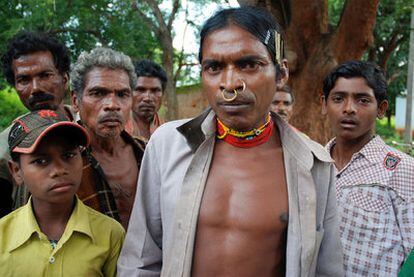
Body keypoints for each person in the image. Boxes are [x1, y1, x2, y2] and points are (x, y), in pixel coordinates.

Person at [118, 7, 343, 276]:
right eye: (214, 67)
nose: (230, 83)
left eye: (249, 64)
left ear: (281, 74)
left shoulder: (313, 164)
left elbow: (327, 269)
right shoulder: (167, 145)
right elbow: (141, 259)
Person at [0, 110, 124, 276]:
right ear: (16, 171)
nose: (59, 170)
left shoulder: (110, 234)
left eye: (69, 155)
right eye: (41, 161)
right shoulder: (2, 236)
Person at [322, 60, 414, 276]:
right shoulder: (313, 164)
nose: (349, 109)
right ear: (324, 104)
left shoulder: (402, 170)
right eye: (338, 99)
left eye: (362, 100)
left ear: (381, 108)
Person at [71, 47, 145, 229]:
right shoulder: (61, 160)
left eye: (122, 94)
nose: (112, 105)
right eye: (98, 93)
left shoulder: (148, 152)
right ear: (75, 101)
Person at [0, 31, 73, 216]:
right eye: (24, 80)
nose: (36, 88)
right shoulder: (4, 148)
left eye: (45, 75)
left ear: (64, 79)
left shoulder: (91, 131)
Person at [130, 59, 166, 141]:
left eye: (155, 90)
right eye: (140, 90)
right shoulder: (116, 130)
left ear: (162, 94)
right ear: (128, 93)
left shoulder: (169, 132)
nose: (147, 98)